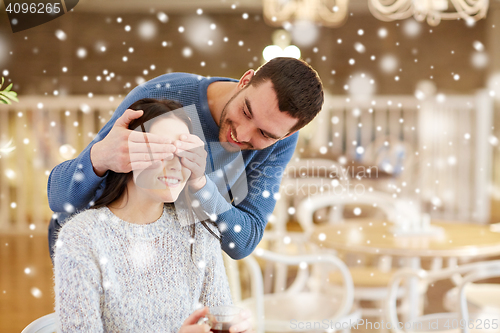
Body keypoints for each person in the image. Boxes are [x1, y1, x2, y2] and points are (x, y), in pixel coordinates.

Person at [48, 57, 324, 260]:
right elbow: (60, 201)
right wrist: (100, 158)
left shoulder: (279, 143)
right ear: (244, 81)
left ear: (289, 134)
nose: (241, 133)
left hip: (171, 261)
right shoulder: (163, 96)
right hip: (94, 253)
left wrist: (202, 188)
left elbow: (243, 241)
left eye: (264, 133)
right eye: (246, 111)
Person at [54, 98, 251, 332]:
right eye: (162, 150)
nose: (176, 163)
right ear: (125, 154)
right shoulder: (81, 238)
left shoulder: (199, 232)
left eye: (186, 152)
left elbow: (217, 317)